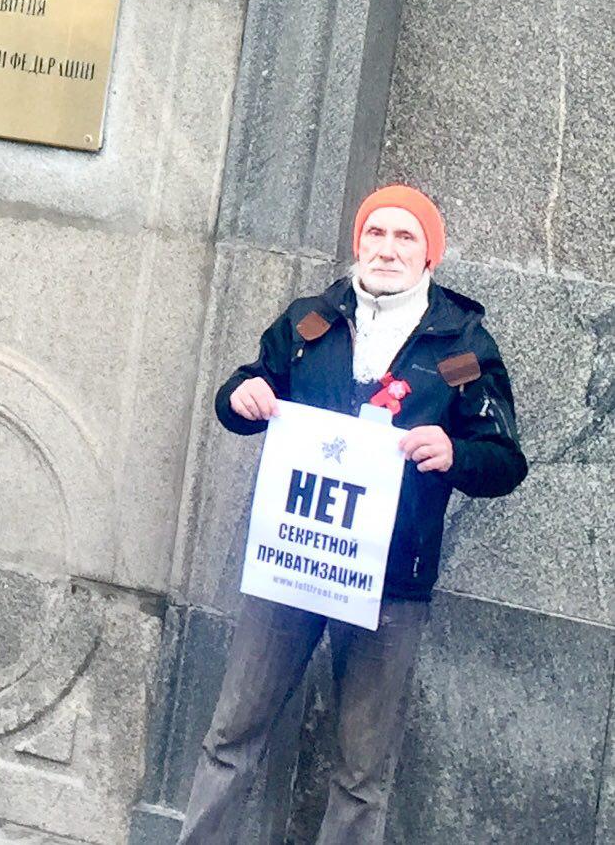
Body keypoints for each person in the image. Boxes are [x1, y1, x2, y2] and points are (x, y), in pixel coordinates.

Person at [178, 184, 528, 845]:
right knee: (231, 738)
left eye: (405, 237)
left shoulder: (460, 346)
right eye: (376, 233)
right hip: (292, 564)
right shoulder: (310, 322)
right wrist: (241, 395)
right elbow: (245, 392)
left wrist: (455, 452)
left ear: (429, 256)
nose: (387, 249)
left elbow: (505, 459)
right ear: (358, 243)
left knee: (362, 773)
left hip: (391, 583)